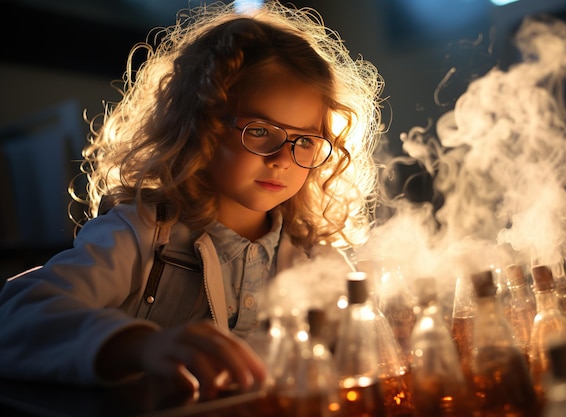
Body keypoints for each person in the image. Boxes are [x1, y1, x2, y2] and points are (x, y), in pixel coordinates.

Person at [0, 0, 383, 403]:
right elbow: (14, 317)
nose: (283, 158)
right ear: (201, 127)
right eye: (259, 131)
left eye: (305, 140)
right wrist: (140, 347)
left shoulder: (318, 262)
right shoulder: (141, 234)